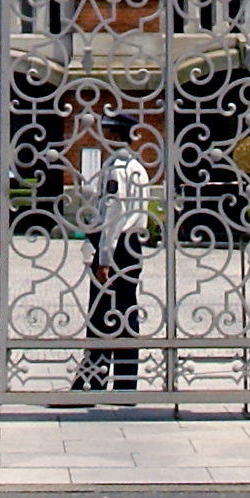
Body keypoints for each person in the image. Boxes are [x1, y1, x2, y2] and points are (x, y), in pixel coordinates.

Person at [70, 133, 155, 395]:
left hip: (115, 247)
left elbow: (113, 217)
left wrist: (104, 259)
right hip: (131, 246)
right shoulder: (137, 167)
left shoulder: (116, 169)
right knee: (126, 313)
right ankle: (125, 384)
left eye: (107, 133)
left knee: (101, 314)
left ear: (116, 136)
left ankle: (92, 380)